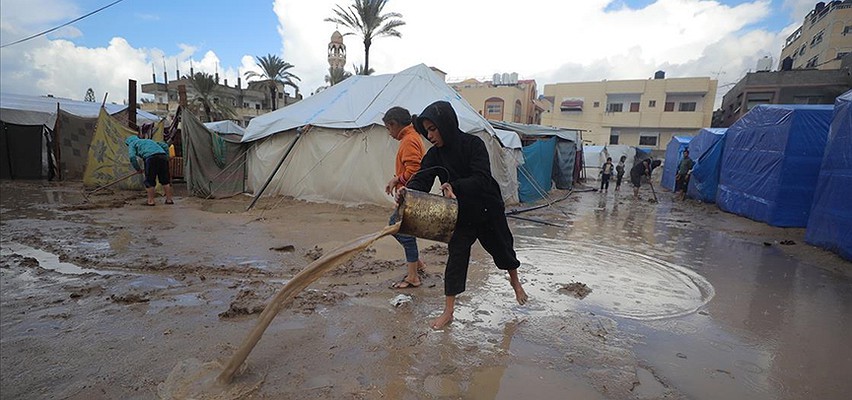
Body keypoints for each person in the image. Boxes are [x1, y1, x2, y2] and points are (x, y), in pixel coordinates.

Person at [404, 100, 528, 330]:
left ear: (446, 124)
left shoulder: (473, 144)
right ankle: (448, 311)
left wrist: (454, 186)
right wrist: (407, 191)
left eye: (433, 129)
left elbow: (482, 178)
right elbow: (422, 178)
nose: (429, 135)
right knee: (456, 258)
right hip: (460, 215)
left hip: (487, 208)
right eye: (426, 130)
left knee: (503, 250)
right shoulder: (434, 155)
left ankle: (516, 283)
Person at [382, 106, 427, 289]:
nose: (389, 133)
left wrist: (397, 179)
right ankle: (417, 264)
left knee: (401, 231)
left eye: (388, 128)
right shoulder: (412, 137)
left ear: (393, 124)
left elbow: (415, 170)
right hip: (409, 194)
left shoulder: (409, 140)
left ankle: (413, 276)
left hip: (410, 195)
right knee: (399, 229)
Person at [126, 136, 174, 206]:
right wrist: (167, 157)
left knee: (150, 180)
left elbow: (132, 157)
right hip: (162, 156)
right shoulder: (149, 141)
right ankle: (169, 200)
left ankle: (151, 201)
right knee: (165, 179)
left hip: (150, 158)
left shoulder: (132, 143)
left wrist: (138, 169)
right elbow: (165, 145)